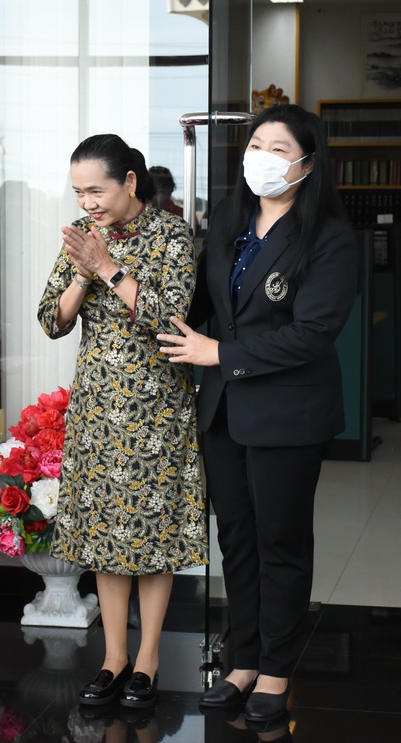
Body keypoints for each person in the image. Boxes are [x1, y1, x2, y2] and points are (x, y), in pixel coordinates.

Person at [156, 105, 357, 724]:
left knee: (281, 542)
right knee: (237, 539)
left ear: (307, 164)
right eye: (256, 145)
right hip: (223, 408)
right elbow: (200, 302)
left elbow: (313, 333)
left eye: (278, 149)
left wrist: (220, 354)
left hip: (289, 412)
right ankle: (243, 661)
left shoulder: (328, 236)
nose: (262, 158)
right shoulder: (229, 218)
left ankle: (275, 669)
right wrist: (117, 275)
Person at [37, 134, 208, 710]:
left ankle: (149, 659)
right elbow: (51, 320)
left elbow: (169, 316)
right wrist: (83, 272)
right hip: (98, 408)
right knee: (106, 536)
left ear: (129, 181)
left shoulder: (171, 235)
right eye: (78, 192)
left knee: (152, 535)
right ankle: (113, 659)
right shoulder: (83, 238)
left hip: (157, 407)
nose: (87, 202)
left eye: (97, 190)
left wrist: (108, 267)